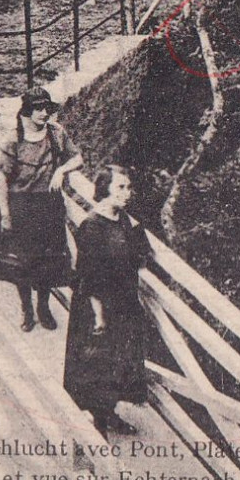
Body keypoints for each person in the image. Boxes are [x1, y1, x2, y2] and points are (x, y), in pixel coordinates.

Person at [0, 88, 83, 331]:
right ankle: (27, 310)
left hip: (48, 206)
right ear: (27, 111)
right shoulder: (13, 140)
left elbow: (78, 158)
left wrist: (61, 170)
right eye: (38, 108)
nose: (43, 114)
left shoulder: (56, 133)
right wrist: (5, 215)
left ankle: (43, 307)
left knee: (47, 261)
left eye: (47, 108)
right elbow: (2, 180)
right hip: (21, 207)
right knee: (22, 263)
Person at [64, 165, 150, 434]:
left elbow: (138, 255)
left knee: (119, 364)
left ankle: (109, 414)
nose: (127, 193)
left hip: (122, 303)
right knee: (98, 366)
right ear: (105, 189)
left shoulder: (122, 219)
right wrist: (99, 317)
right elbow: (89, 278)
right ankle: (97, 426)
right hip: (97, 306)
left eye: (129, 187)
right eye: (121, 187)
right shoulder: (92, 226)